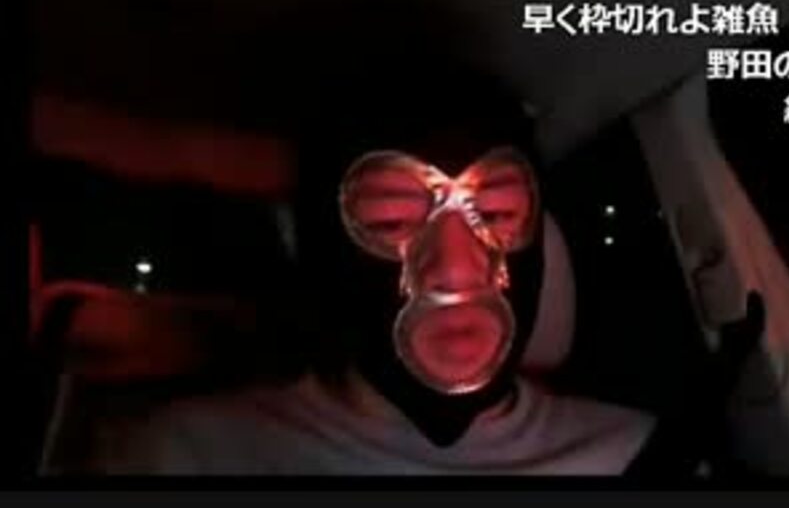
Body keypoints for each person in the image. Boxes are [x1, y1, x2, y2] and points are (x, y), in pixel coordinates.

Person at [93, 49, 667, 476]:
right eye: (392, 221)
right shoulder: (191, 456)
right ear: (324, 249)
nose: (457, 269)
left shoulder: (643, 456)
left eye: (496, 213)